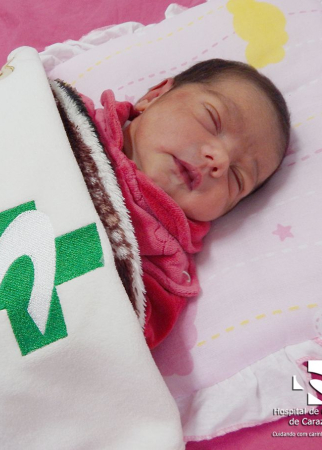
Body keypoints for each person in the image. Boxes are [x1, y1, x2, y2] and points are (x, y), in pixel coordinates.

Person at [78, 59, 291, 348]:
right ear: (154, 96)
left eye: (237, 178)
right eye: (212, 120)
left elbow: (113, 347)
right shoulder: (66, 117)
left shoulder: (162, 272)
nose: (219, 160)